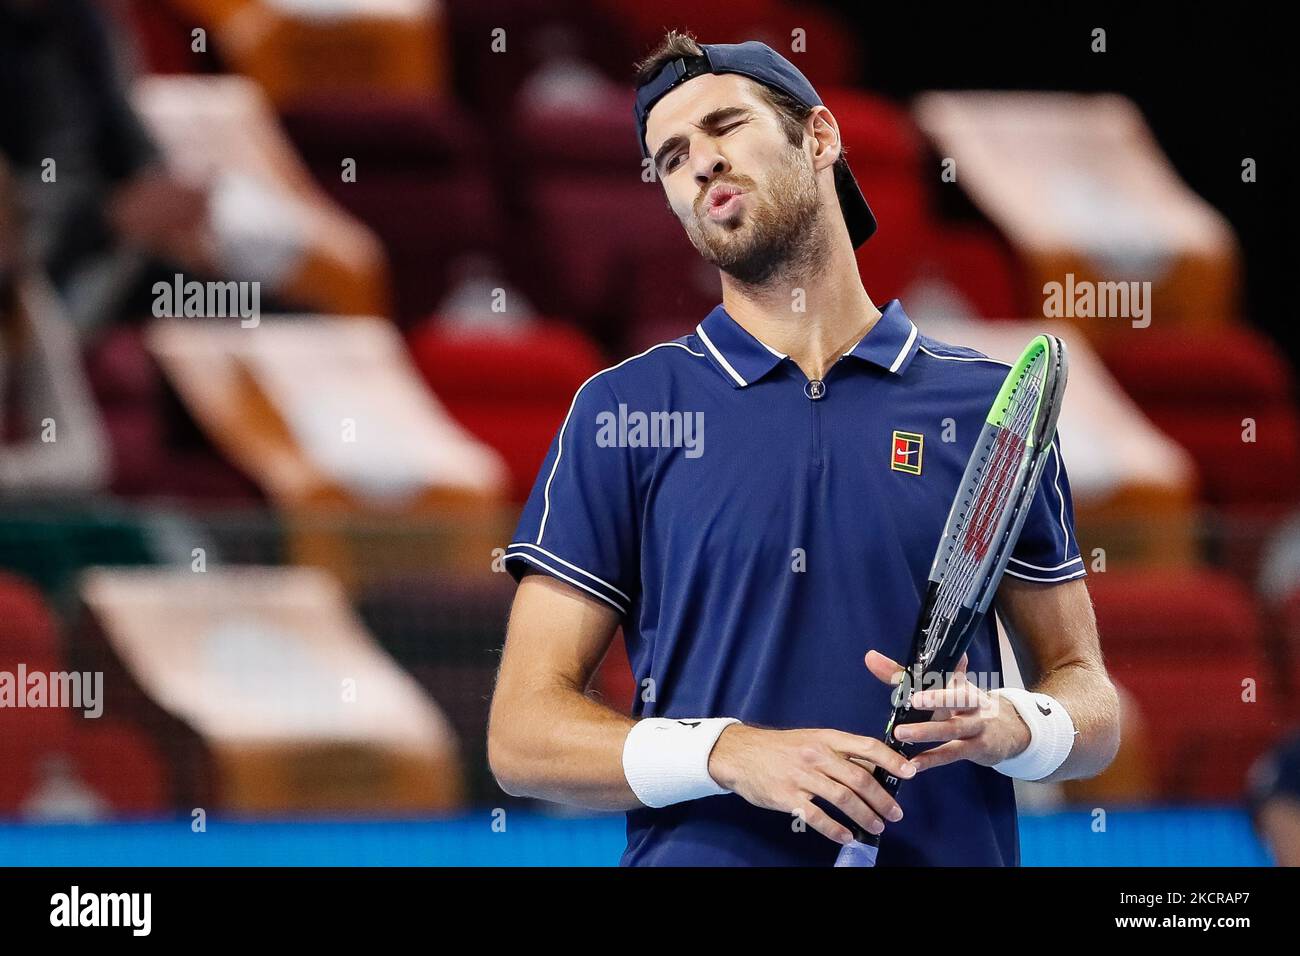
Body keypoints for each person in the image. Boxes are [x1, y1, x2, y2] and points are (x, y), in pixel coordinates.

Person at [488, 32, 1121, 865]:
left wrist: (1013, 724)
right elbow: (522, 736)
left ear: (819, 138)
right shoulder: (624, 411)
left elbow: (1089, 699)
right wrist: (727, 753)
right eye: (672, 157)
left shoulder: (983, 410)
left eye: (725, 127)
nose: (700, 165)